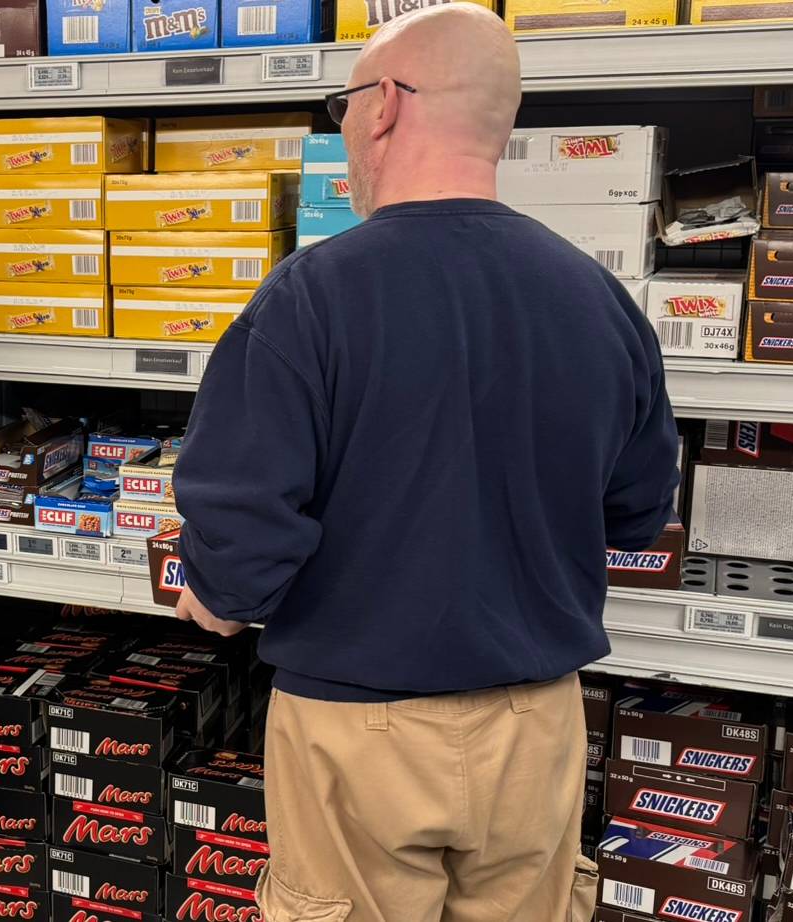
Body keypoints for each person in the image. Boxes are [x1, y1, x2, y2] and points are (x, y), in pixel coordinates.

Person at [170, 6, 680, 922]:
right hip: (537, 728)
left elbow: (240, 537)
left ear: (385, 107)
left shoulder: (308, 299)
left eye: (342, 107)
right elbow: (637, 513)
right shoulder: (599, 300)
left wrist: (214, 593)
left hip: (357, 730)